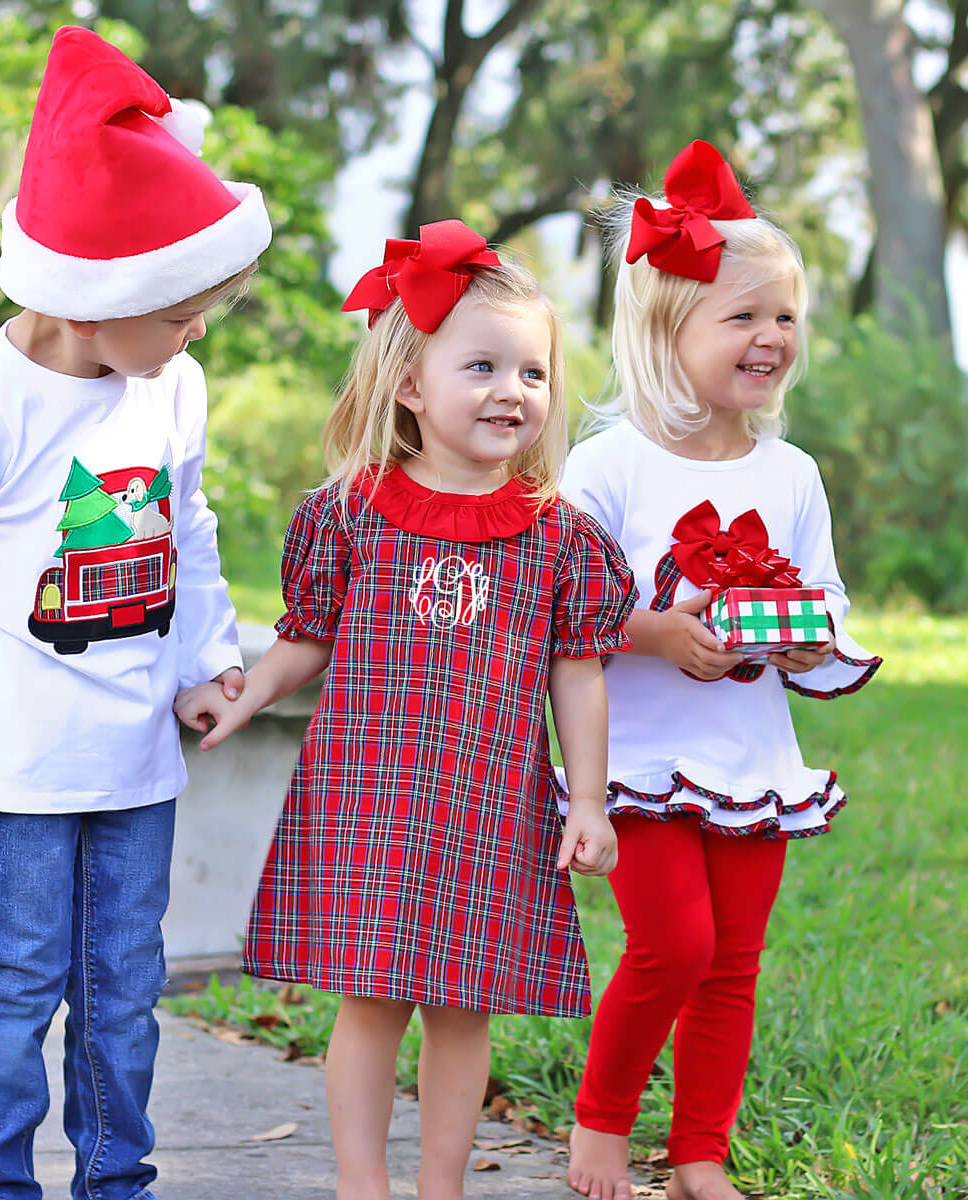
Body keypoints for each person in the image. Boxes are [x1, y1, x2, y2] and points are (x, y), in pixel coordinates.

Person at [0, 26, 271, 1200]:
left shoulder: (166, 384)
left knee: (124, 982)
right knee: (18, 977)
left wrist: (201, 661)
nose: (198, 335)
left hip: (136, 751)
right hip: (19, 763)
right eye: (184, 311)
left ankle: (115, 1180)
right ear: (95, 300)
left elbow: (187, 530)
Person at [174, 220, 636, 1200]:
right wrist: (247, 693)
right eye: (483, 366)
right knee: (371, 1005)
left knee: (464, 1011)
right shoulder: (352, 513)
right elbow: (308, 634)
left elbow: (580, 673)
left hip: (488, 804)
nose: (514, 389)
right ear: (412, 386)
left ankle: (442, 1187)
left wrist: (587, 801)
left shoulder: (559, 541)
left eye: (533, 373)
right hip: (368, 802)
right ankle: (361, 1186)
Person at [560, 140, 881, 1200]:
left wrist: (800, 639)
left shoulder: (791, 472)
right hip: (639, 757)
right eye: (742, 316)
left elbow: (824, 598)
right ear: (665, 330)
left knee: (735, 958)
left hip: (751, 756)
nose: (771, 337)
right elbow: (562, 613)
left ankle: (700, 1148)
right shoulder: (606, 465)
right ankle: (601, 1123)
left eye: (784, 316)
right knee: (674, 947)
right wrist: (656, 632)